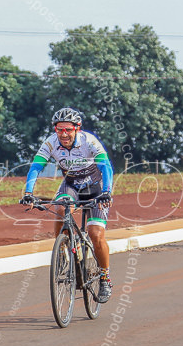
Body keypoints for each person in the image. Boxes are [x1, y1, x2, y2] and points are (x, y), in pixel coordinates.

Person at [20, 107, 114, 303]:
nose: (63, 134)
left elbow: (106, 166)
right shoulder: (51, 143)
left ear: (77, 129)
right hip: (71, 185)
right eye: (59, 130)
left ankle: (105, 278)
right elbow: (36, 166)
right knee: (61, 208)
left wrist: (107, 192)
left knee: (96, 234)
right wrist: (28, 193)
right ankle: (63, 251)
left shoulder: (89, 141)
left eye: (68, 130)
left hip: (95, 187)